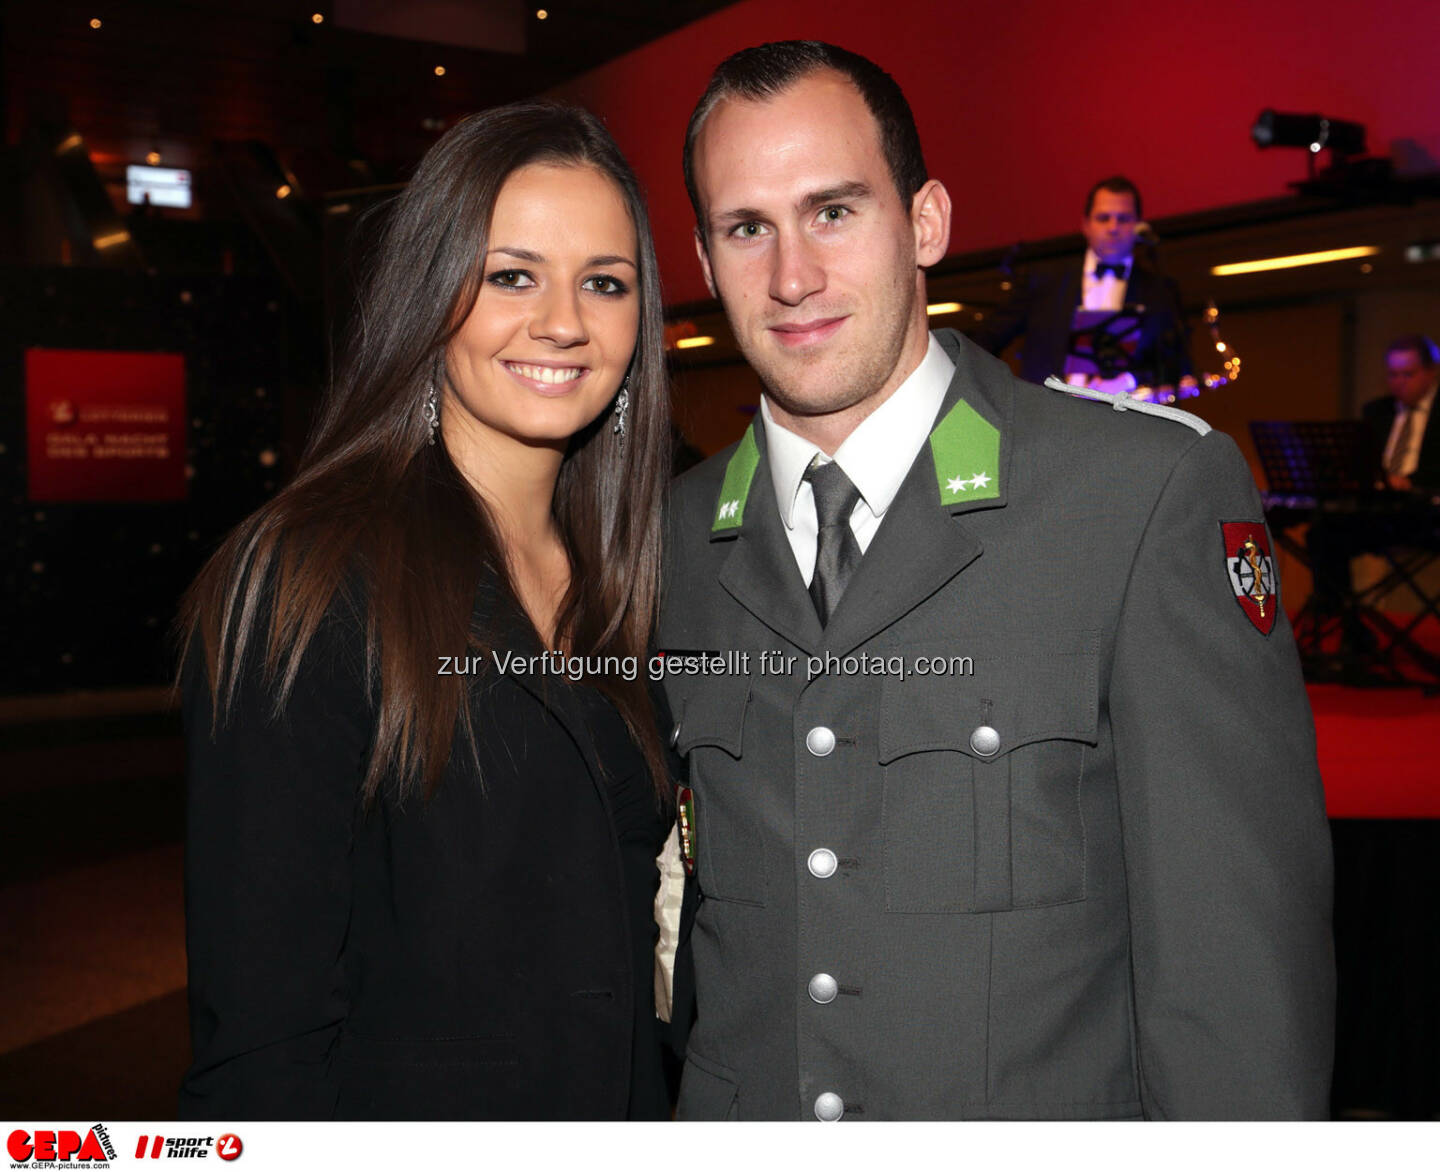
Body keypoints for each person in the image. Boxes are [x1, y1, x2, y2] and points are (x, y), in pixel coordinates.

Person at [659, 41, 1333, 1120]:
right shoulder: (671, 536)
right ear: (703, 254)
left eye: (834, 210)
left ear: (925, 221)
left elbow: (1231, 973)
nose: (791, 276)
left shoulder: (1138, 494)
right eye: (748, 227)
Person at [176, 102, 675, 1120]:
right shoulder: (313, 573)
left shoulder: (632, 576)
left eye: (606, 283)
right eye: (512, 274)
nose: (564, 321)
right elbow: (261, 1038)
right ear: (430, 294)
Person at [969, 175, 1197, 396]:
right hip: (1047, 419)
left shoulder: (1159, 290)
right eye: (1103, 217)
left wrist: (1128, 380)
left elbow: (1178, 365)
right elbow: (990, 337)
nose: (1113, 227)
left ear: (1138, 225)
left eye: (1124, 219)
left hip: (1125, 422)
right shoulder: (1044, 280)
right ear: (1086, 225)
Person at [1366, 333, 1439, 492]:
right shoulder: (1376, 411)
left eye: (1408, 374)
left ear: (1431, 372)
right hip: (1380, 502)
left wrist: (1408, 482)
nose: (1399, 382)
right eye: (1393, 374)